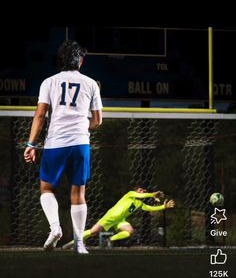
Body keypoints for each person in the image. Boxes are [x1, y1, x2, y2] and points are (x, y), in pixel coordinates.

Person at [24, 40, 103, 254]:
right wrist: (79, 126)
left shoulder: (48, 82)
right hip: (80, 144)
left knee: (46, 188)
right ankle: (79, 244)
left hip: (55, 143)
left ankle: (55, 228)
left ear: (60, 60)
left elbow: (40, 115)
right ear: (81, 61)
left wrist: (31, 144)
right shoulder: (91, 84)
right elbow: (97, 121)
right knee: (78, 192)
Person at [62, 187, 175, 249]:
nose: (143, 192)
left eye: (144, 191)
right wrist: (152, 194)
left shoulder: (139, 204)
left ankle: (110, 240)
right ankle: (72, 242)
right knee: (93, 232)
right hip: (110, 217)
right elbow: (141, 195)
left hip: (120, 220)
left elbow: (150, 208)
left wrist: (163, 206)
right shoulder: (130, 194)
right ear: (136, 191)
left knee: (130, 231)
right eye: (141, 190)